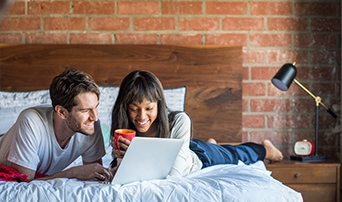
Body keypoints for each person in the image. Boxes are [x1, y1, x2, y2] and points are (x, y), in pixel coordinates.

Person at [110, 70, 283, 177]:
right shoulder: (125, 129)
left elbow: (174, 175)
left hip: (199, 157)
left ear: (159, 105)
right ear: (125, 108)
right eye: (134, 108)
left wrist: (137, 158)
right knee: (216, 149)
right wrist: (122, 159)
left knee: (235, 154)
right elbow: (123, 174)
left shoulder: (178, 120)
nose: (141, 116)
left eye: (149, 108)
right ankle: (212, 144)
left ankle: (266, 149)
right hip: (188, 150)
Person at [0, 68, 112, 181]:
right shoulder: (31, 121)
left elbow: (94, 174)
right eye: (85, 110)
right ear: (61, 112)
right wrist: (73, 172)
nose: (95, 117)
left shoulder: (91, 125)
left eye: (96, 107)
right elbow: (23, 183)